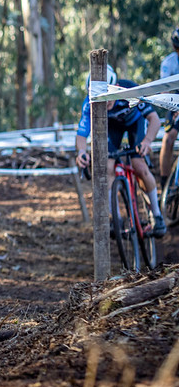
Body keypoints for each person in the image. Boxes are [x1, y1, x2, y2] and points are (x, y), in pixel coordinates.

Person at [75, 65, 166, 237]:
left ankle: (157, 215)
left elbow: (154, 120)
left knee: (138, 165)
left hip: (135, 124)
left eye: (109, 98)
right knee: (107, 167)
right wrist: (81, 152)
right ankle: (114, 218)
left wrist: (146, 141)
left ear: (115, 88)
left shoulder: (129, 90)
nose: (106, 103)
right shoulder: (89, 102)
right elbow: (81, 134)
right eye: (102, 100)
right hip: (112, 129)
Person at [158, 27, 179, 191]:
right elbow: (165, 91)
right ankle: (164, 183)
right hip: (174, 103)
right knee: (168, 138)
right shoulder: (168, 63)